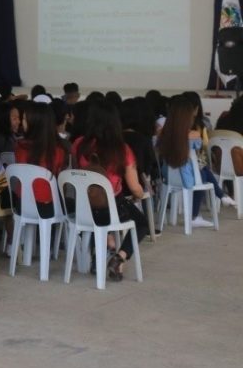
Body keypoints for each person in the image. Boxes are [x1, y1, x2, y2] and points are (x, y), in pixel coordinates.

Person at [71, 101, 147, 281]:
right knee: (142, 223)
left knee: (97, 218)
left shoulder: (79, 144)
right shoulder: (122, 150)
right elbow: (135, 188)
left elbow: (75, 174)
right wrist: (140, 195)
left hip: (84, 209)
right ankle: (119, 257)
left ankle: (102, 250)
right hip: (111, 209)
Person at [157, 95, 235, 228]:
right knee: (203, 172)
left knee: (201, 169)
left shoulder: (162, 133)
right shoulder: (193, 135)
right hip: (186, 178)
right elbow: (199, 151)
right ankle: (196, 214)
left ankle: (222, 196)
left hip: (168, 177)